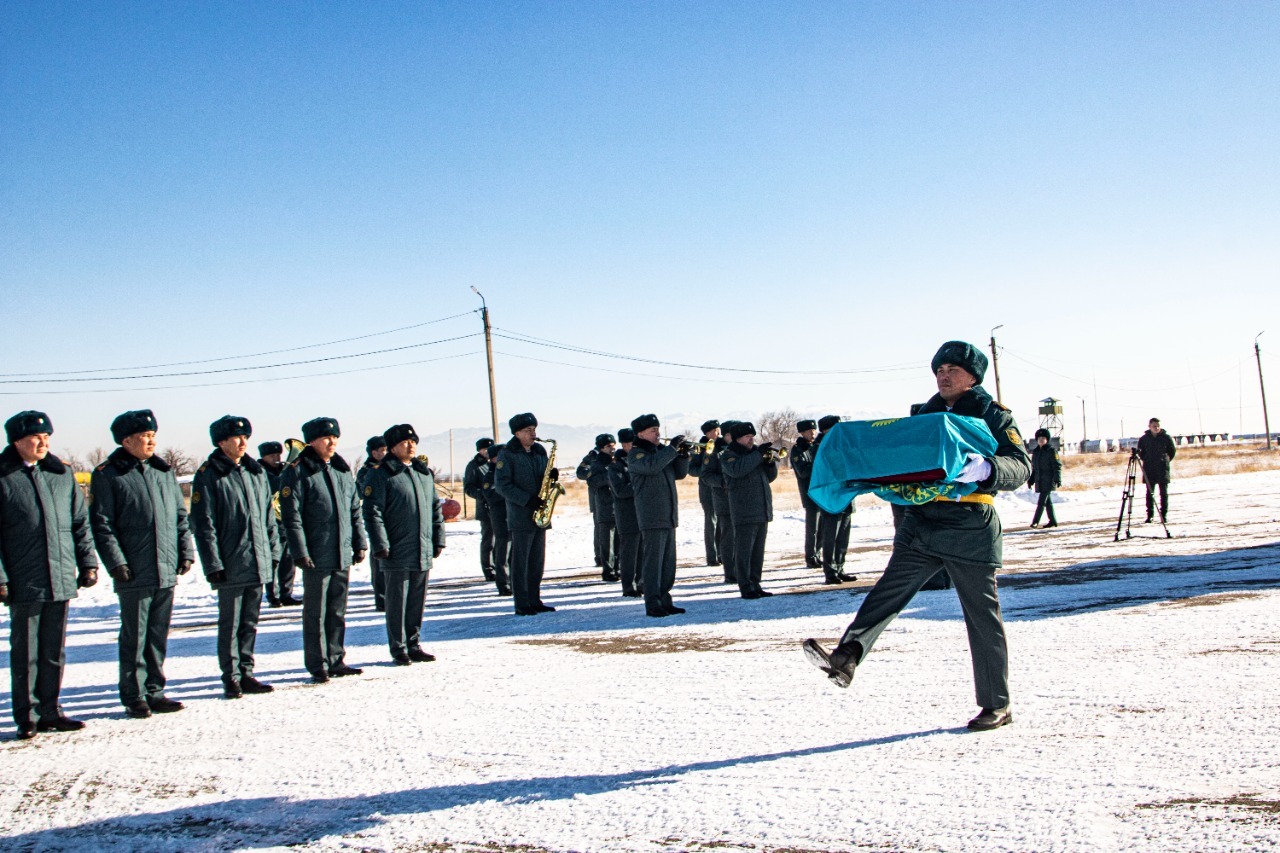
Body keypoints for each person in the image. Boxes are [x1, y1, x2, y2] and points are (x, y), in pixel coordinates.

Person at [803, 341, 1031, 732]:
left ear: (973, 376)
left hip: (970, 524)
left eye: (952, 369)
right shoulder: (924, 414)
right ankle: (846, 656)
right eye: (939, 369)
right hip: (922, 521)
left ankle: (997, 704)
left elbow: (1021, 466)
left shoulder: (994, 415)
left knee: (981, 616)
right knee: (887, 592)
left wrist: (987, 468)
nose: (943, 375)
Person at [89, 409, 194, 718]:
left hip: (164, 566)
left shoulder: (162, 472)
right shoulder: (109, 474)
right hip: (134, 569)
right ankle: (134, 694)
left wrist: (185, 551)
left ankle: (155, 690)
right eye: (145, 437)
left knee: (158, 634)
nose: (151, 441)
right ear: (126, 441)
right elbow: (102, 524)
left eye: (153, 436)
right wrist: (116, 563)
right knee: (135, 636)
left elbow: (179, 517)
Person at [0, 411, 98, 739]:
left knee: (53, 651)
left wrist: (87, 563)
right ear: (16, 441)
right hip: (23, 578)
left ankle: (51, 710)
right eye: (35, 438)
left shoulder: (61, 475)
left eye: (46, 438)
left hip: (60, 574)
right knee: (26, 652)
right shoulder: (3, 476)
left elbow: (79, 523)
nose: (42, 443)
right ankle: (26, 716)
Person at [190, 415, 282, 699]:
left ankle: (247, 672)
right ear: (221, 442)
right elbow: (204, 524)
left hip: (257, 560)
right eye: (235, 438)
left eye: (245, 438)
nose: (243, 442)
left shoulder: (255, 473)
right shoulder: (209, 475)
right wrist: (213, 564)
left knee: (250, 622)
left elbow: (268, 517)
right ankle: (231, 676)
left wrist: (273, 550)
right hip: (230, 563)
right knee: (230, 624)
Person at [280, 417, 367, 683]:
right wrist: (300, 551)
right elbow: (291, 516)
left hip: (340, 550)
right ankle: (318, 663)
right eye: (326, 438)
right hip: (316, 553)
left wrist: (359, 542)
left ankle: (336, 658)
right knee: (316, 612)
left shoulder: (341, 470)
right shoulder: (297, 471)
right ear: (312, 441)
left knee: (337, 610)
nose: (332, 442)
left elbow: (354, 509)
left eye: (335, 438)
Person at [362, 423, 445, 664]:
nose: (411, 446)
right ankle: (398, 647)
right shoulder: (381, 474)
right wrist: (380, 543)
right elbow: (372, 511)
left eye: (413, 441)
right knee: (397, 600)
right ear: (392, 447)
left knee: (417, 600)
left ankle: (414, 643)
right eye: (404, 443)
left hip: (422, 546)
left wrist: (437, 538)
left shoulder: (423, 473)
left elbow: (434, 509)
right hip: (396, 548)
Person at [627, 414, 691, 617]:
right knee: (653, 562)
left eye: (658, 429)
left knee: (668, 562)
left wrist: (683, 455)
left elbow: (679, 474)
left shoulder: (660, 452)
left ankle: (665, 599)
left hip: (668, 514)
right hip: (651, 515)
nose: (658, 434)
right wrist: (671, 450)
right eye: (653, 430)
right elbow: (651, 466)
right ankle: (652, 602)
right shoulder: (637, 454)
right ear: (640, 434)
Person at [494, 413, 556, 616]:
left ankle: (535, 599)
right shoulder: (507, 454)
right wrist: (526, 499)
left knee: (537, 560)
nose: (533, 433)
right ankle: (522, 602)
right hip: (521, 514)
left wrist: (551, 476)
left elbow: (544, 476)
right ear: (517, 433)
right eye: (528, 430)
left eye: (534, 429)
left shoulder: (539, 450)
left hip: (540, 514)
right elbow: (502, 485)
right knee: (521, 561)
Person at [720, 421, 778, 599]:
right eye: (748, 437)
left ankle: (756, 583)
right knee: (744, 551)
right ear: (738, 438)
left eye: (753, 436)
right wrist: (758, 455)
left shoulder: (753, 454)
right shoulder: (729, 456)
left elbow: (770, 477)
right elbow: (738, 470)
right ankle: (745, 586)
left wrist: (769, 463)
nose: (752, 439)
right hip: (744, 511)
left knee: (757, 552)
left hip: (761, 510)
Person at [815, 415, 856, 584]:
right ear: (825, 430)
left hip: (845, 495)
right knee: (830, 536)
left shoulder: (842, 444)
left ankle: (840, 567)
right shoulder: (820, 447)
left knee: (843, 536)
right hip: (831, 498)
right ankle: (830, 571)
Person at [259, 441, 300, 608]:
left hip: (285, 521)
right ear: (264, 457)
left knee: (288, 560)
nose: (276, 458)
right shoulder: (260, 471)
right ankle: (273, 595)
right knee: (273, 560)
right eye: (272, 455)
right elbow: (275, 485)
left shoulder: (282, 470)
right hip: (270, 523)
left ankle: (286, 593)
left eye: (278, 455)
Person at [608, 428, 642, 597]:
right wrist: (641, 485)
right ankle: (629, 586)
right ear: (624, 444)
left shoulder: (638, 460)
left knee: (643, 550)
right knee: (629, 552)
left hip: (643, 513)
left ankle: (642, 582)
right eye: (630, 443)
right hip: (627, 514)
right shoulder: (616, 466)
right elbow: (620, 490)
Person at [357, 436, 388, 611]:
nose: (384, 453)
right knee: (379, 558)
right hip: (377, 518)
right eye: (381, 450)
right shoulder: (366, 471)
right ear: (373, 452)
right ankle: (381, 597)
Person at [702, 422, 736, 585]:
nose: (718, 433)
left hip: (737, 500)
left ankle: (738, 568)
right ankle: (722, 564)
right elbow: (704, 473)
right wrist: (722, 482)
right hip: (719, 496)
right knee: (723, 532)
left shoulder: (738, 450)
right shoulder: (713, 450)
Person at [582, 434, 618, 582]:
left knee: (619, 539)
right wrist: (611, 477)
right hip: (604, 505)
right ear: (602, 448)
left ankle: (618, 566)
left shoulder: (618, 460)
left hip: (619, 505)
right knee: (606, 540)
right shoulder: (596, 463)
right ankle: (608, 569)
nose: (612, 448)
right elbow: (592, 481)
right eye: (609, 446)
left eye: (613, 445)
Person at [687, 419, 723, 567]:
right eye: (715, 431)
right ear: (708, 433)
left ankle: (723, 553)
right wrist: (706, 470)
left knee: (723, 521)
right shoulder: (699, 448)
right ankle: (712, 556)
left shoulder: (722, 445)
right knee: (711, 521)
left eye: (719, 430)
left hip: (720, 488)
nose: (718, 433)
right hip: (707, 488)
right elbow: (691, 469)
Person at [480, 443, 512, 596]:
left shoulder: (506, 472)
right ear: (493, 459)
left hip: (512, 515)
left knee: (513, 551)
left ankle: (513, 581)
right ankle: (503, 583)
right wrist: (509, 491)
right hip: (500, 516)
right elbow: (490, 494)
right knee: (502, 550)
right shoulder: (490, 475)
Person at [789, 419, 821, 570]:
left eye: (814, 431)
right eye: (809, 431)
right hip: (809, 493)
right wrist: (819, 462)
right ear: (802, 433)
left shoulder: (817, 446)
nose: (812, 433)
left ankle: (818, 553)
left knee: (822, 527)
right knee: (812, 528)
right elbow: (803, 472)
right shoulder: (798, 450)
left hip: (821, 492)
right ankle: (811, 556)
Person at [463, 437, 496, 582]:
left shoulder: (497, 463)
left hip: (499, 506)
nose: (487, 452)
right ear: (479, 450)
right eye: (485, 449)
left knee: (501, 539)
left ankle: (501, 566)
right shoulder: (474, 466)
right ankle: (488, 569)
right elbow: (468, 488)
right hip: (485, 507)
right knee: (489, 540)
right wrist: (482, 495)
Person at [1137, 417, 1176, 523]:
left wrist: (1165, 460)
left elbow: (1172, 451)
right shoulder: (1144, 439)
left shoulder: (1166, 438)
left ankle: (1164, 515)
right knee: (1150, 493)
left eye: (1158, 426)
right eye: (1154, 426)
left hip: (1162, 468)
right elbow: (1141, 453)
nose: (1156, 428)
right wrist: (1147, 459)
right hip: (1149, 469)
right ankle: (1150, 515)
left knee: (1164, 493)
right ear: (1149, 426)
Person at [1028, 428, 1062, 529]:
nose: (1041, 440)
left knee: (1041, 502)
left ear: (1047, 439)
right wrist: (1031, 480)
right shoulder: (1036, 452)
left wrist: (1057, 478)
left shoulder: (1051, 451)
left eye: (1043, 438)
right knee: (1048, 502)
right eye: (1039, 438)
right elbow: (1034, 469)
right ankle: (1053, 521)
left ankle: (1035, 522)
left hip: (1049, 480)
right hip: (1040, 480)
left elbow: (1057, 466)